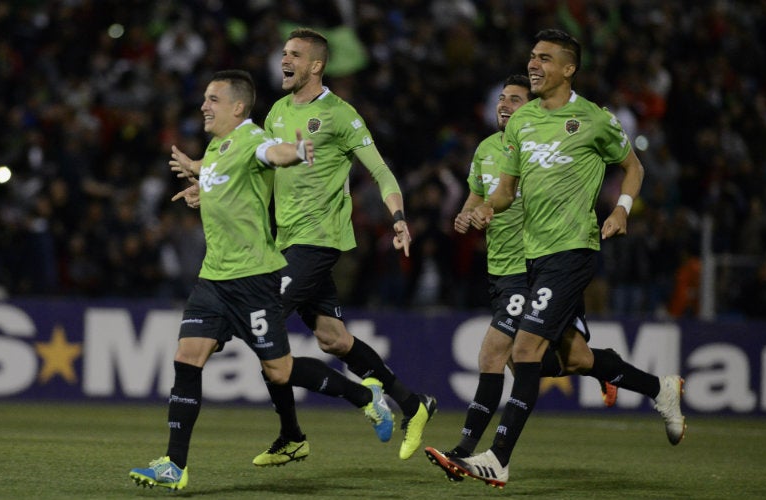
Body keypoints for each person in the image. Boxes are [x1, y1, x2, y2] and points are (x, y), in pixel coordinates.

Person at [437, 29, 686, 488]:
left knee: (524, 349)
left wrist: (621, 210)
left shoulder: (594, 119)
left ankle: (498, 457)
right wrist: (483, 210)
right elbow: (507, 192)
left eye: (545, 59)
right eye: (532, 56)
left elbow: (633, 168)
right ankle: (659, 389)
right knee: (574, 358)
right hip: (533, 257)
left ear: (568, 69)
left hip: (573, 251)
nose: (534, 64)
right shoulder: (521, 122)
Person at [129, 70, 394, 491]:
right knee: (186, 359)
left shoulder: (252, 139)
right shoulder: (217, 147)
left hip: (254, 281)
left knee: (280, 371)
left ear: (237, 107)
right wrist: (201, 183)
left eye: (213, 99)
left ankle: (366, 397)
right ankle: (173, 465)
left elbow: (274, 154)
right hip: (213, 279)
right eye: (203, 98)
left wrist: (298, 150)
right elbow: (225, 177)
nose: (203, 106)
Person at [251, 27, 436, 465]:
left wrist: (398, 218)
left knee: (262, 325)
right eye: (283, 52)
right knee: (334, 340)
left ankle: (304, 429)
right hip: (285, 241)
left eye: (294, 53)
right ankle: (413, 404)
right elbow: (258, 168)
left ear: (316, 65)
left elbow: (382, 172)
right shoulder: (276, 111)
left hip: (317, 241)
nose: (284, 59)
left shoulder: (341, 115)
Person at [423, 74, 617, 482]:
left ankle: (469, 453)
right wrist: (468, 212)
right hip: (498, 269)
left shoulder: (541, 148)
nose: (505, 105)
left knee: (495, 355)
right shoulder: (486, 150)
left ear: (529, 106)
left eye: (515, 99)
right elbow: (479, 195)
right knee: (564, 359)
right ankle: (610, 369)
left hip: (527, 269)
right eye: (502, 99)